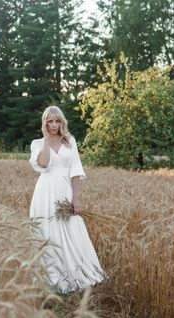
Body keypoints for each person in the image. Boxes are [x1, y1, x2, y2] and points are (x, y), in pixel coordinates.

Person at [29, 106, 106, 294]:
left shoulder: (70, 141)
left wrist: (76, 198)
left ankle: (79, 273)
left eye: (57, 121)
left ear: (62, 122)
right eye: (50, 121)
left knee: (73, 230)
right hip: (45, 193)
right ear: (44, 123)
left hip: (65, 191)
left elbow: (76, 171)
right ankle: (50, 278)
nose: (54, 125)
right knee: (47, 232)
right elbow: (44, 164)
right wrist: (46, 140)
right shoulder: (37, 143)